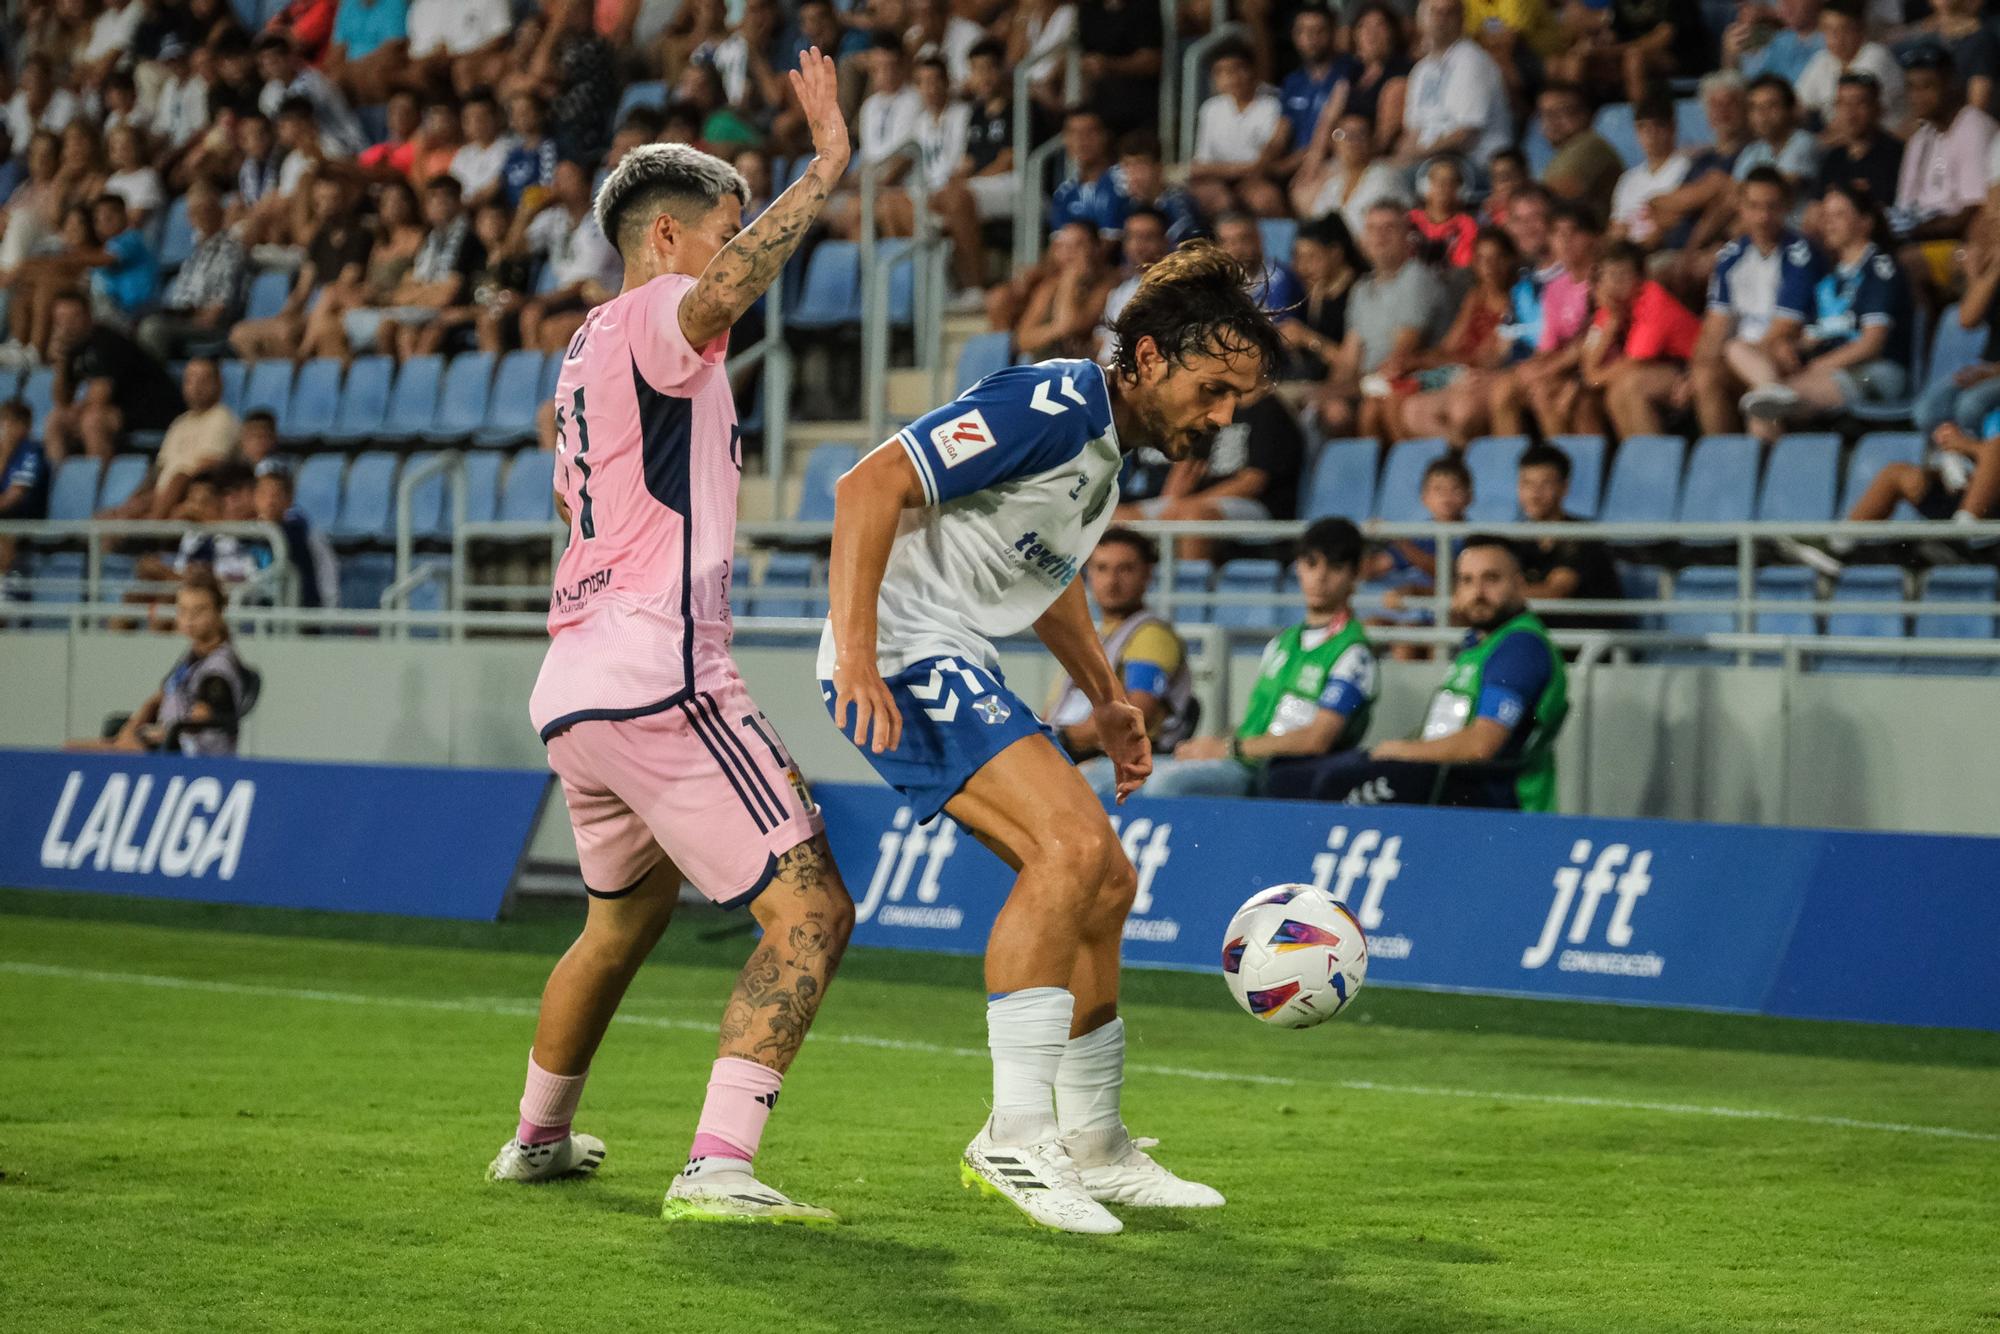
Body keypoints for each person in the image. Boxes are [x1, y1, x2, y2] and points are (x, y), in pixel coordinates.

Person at [820, 242, 1284, 1234]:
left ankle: (1095, 1141)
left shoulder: (1103, 448)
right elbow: (866, 486)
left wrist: (1104, 695)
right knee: (1066, 851)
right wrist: (858, 654)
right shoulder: (1053, 403)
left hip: (950, 654)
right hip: (906, 648)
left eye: (1237, 398)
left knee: (1106, 877)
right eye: (1213, 388)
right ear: (1149, 357)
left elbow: (1040, 573)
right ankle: (1013, 1132)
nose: (1222, 417)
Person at [487, 52, 857, 1227]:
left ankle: (538, 1137)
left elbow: (570, 499)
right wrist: (827, 166)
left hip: (576, 687)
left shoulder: (584, 350)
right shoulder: (656, 312)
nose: (737, 248)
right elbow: (720, 294)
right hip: (662, 669)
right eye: (724, 228)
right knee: (809, 909)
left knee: (619, 920)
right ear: (662, 238)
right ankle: (717, 1162)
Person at [1275, 536, 1568, 811]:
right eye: (1467, 581)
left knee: (1327, 787)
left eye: (1491, 579)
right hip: (1440, 780)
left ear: (1518, 585)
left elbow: (1482, 744)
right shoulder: (1480, 645)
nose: (1478, 593)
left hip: (1487, 796)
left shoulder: (1520, 647)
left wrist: (1403, 751)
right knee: (1289, 777)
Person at [1123, 517, 1378, 799]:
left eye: (1336, 567)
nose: (1320, 577)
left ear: (1356, 576)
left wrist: (1229, 749)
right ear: (1299, 567)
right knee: (1102, 775)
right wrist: (1210, 745)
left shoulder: (1353, 653)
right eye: (1311, 563)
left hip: (1271, 772)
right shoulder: (1283, 643)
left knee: (1166, 786)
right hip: (1241, 759)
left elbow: (1317, 739)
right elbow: (1253, 724)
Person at [1737, 180, 1912, 438]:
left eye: (1839, 215)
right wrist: (1789, 349)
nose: (1829, 223)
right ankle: (1771, 394)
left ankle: (1774, 396)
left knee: (1767, 406)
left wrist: (1819, 365)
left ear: (1865, 222)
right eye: (1826, 215)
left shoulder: (1879, 268)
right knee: (1742, 358)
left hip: (1876, 373)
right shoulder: (1829, 280)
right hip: (1830, 370)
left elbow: (1871, 344)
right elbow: (1813, 336)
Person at [1047, 528, 1198, 782]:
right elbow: (1053, 711)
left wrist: (1060, 740)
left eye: (1125, 569)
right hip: (1068, 750)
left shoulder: (1150, 635)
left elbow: (1132, 716)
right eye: (1101, 568)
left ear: (1147, 574)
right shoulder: (1093, 638)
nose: (1112, 581)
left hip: (1112, 760)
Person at [66, 572, 257, 758]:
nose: (189, 619)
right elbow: (158, 698)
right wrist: (130, 731)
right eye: (183, 610)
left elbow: (196, 723)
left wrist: (146, 736)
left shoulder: (219, 668)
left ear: (219, 611)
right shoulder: (193, 656)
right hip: (162, 743)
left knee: (76, 752)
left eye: (199, 611)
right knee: (73, 748)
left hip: (186, 754)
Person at [1692, 167, 1824, 434]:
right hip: (1740, 356)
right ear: (1740, 207)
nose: (1763, 217)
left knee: (1755, 384)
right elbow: (1715, 327)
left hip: (1783, 354)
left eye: (1771, 207)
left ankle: (1766, 465)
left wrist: (1741, 353)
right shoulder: (1730, 256)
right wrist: (1695, 369)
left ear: (1786, 207)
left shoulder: (1800, 254)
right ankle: (1727, 464)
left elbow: (1785, 328)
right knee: (1705, 376)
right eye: (1754, 206)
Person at [1326, 201, 1451, 440]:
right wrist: (1332, 393)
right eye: (1372, 229)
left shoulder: (1416, 279)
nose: (1379, 236)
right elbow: (1349, 357)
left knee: (1366, 411)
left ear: (1408, 237)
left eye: (1389, 228)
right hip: (1368, 385)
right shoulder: (1361, 289)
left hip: (1413, 382)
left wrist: (1348, 389)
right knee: (1323, 410)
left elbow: (1402, 352)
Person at [1396, 227, 1524, 446]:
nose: (1489, 268)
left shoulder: (1519, 299)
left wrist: (1421, 360)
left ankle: (1465, 461)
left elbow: (1489, 358)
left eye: (1496, 259)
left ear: (1510, 260)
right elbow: (1450, 345)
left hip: (1493, 377)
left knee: (1463, 411)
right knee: (1412, 410)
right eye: (1482, 259)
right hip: (1462, 376)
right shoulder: (1475, 297)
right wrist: (1414, 361)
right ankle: (1458, 457)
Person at [1894, 47, 1993, 294]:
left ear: (1951, 84)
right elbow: (1905, 208)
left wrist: (1916, 230)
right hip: (1922, 235)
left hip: (1963, 245)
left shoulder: (1973, 126)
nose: (1917, 96)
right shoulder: (1921, 137)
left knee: (1902, 263)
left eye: (1927, 87)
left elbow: (1974, 211)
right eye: (1912, 88)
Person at [43, 290, 184, 463]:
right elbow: (62, 400)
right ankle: (60, 480)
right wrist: (61, 364)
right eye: (61, 320)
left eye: (73, 318)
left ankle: (96, 483)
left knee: (93, 421)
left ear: (88, 316)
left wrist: (75, 413)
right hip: (122, 411)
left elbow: (99, 398)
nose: (67, 326)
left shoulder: (107, 342)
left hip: (155, 409)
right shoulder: (73, 347)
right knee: (56, 420)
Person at [100, 358, 241, 521]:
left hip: (192, 495)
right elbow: (159, 467)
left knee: (178, 478)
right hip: (161, 496)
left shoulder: (222, 417)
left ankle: (152, 531)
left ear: (218, 384)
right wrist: (136, 498)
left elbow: (209, 468)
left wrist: (164, 496)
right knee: (110, 516)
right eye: (190, 380)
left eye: (203, 380)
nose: (196, 387)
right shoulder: (180, 422)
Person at [1587, 240, 1703, 437]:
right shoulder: (1611, 308)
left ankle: (1656, 461)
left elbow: (1633, 364)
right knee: (1615, 393)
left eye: (1624, 276)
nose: (1616, 284)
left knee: (1632, 384)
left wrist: (1593, 377)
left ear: (1640, 278)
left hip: (1693, 367)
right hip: (1665, 368)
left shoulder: (1653, 299)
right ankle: (1638, 461)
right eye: (1610, 276)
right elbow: (1588, 360)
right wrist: (1611, 326)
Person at [1511, 443, 1623, 630]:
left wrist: (1501, 593)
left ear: (1564, 487)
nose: (1534, 493)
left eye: (1545, 483)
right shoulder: (1518, 536)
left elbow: (1556, 591)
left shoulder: (1582, 535)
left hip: (1590, 642)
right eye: (1526, 483)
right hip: (1542, 636)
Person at [136, 183, 246, 361]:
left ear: (219, 210)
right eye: (192, 211)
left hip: (211, 327)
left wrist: (189, 317)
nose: (197, 216)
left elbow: (218, 311)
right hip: (183, 317)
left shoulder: (230, 250)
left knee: (152, 329)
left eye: (204, 209)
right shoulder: (195, 254)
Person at [1398, 0, 1511, 174]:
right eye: (1435, 11)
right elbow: (1412, 131)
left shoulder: (1472, 60)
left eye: (1450, 12)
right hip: (1431, 161)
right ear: (1420, 20)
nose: (1442, 18)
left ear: (1462, 20)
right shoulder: (1421, 69)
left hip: (1475, 163)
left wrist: (1416, 155)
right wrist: (1402, 157)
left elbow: (1466, 136)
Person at [1188, 39, 1288, 219]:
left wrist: (1243, 172)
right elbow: (1201, 166)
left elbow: (1266, 162)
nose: (1230, 77)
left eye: (1236, 69)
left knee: (1265, 200)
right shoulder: (1211, 109)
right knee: (1206, 197)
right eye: (1221, 72)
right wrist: (1237, 170)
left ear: (1252, 70)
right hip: (1221, 181)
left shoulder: (1272, 105)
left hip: (1260, 179)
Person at [1289, 107, 1411, 239]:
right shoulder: (1333, 186)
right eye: (1342, 134)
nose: (1351, 141)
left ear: (1372, 140)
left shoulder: (1384, 177)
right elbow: (1319, 227)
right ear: (1333, 143)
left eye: (1360, 134)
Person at [1807, 73, 1904, 224]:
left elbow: (1887, 215)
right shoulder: (1833, 158)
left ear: (1878, 108)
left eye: (1860, 103)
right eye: (1843, 104)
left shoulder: (1896, 155)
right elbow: (1813, 214)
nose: (1850, 113)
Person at [1795, 0, 1904, 128]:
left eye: (1842, 29)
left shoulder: (1876, 55)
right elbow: (1799, 106)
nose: (1835, 37)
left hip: (1882, 137)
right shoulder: (1822, 59)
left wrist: (1816, 144)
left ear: (1860, 29)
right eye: (1828, 29)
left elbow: (1856, 122)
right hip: (1839, 139)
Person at [1609, 96, 1691, 248]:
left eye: (1658, 126)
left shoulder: (1687, 167)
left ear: (1672, 127)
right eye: (1643, 127)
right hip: (1630, 255)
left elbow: (1679, 219)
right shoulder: (1628, 179)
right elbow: (1617, 226)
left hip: (1667, 248)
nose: (1650, 134)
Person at [1538, 82, 1624, 208]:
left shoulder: (1590, 144)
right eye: (1545, 114)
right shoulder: (1563, 151)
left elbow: (1564, 190)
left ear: (1585, 114)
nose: (1551, 121)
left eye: (1562, 112)